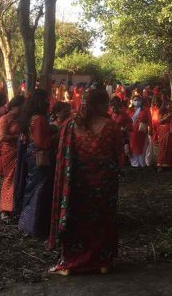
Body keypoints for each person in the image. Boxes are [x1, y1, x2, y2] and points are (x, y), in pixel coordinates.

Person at [48, 89, 124, 275]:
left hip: (77, 184)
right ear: (100, 105)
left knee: (77, 220)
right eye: (105, 103)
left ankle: (71, 263)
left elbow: (62, 155)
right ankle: (103, 262)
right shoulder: (111, 126)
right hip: (104, 184)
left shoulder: (70, 125)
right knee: (103, 220)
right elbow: (119, 155)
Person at [16, 90, 57, 238]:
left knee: (32, 187)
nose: (48, 103)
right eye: (47, 100)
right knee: (37, 190)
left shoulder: (31, 117)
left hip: (31, 155)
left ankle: (28, 224)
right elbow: (41, 142)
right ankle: (32, 225)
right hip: (39, 157)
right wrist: (55, 136)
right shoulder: (39, 119)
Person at [0, 95, 26, 223]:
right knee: (9, 178)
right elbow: (1, 137)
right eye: (22, 106)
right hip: (9, 152)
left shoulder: (21, 119)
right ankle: (5, 209)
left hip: (20, 151)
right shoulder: (4, 119)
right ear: (15, 106)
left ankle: (16, 207)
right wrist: (17, 138)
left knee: (19, 178)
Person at [156, 102, 172, 171]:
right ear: (164, 105)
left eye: (170, 105)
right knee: (163, 147)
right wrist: (167, 117)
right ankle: (161, 164)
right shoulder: (161, 112)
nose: (169, 106)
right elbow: (159, 121)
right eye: (167, 105)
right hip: (164, 132)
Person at [128, 95, 151, 167]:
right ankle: (134, 162)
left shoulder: (145, 110)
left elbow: (149, 120)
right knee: (132, 146)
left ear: (141, 101)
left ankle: (142, 162)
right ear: (132, 101)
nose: (137, 101)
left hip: (142, 132)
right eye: (135, 100)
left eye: (138, 100)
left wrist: (150, 129)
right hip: (132, 132)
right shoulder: (129, 111)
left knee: (141, 146)